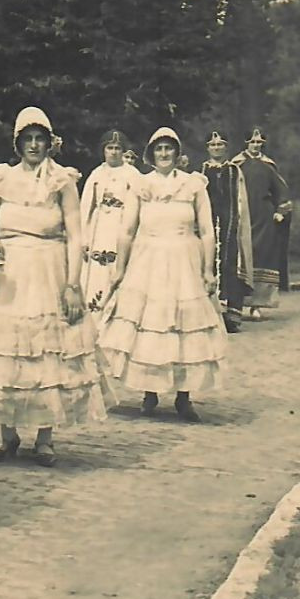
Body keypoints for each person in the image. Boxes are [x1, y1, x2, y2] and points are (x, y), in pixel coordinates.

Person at [0, 107, 111, 467]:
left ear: (49, 143)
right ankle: (6, 434)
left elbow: (76, 234)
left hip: (49, 267)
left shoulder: (62, 181)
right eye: (27, 139)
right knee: (3, 352)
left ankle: (45, 438)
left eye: (39, 139)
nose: (34, 145)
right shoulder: (1, 178)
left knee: (49, 352)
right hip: (8, 271)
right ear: (17, 143)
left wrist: (72, 284)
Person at [98, 127, 226, 421]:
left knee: (184, 325)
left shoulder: (193, 185)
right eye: (159, 149)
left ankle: (184, 396)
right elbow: (127, 230)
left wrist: (208, 270)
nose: (164, 154)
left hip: (184, 261)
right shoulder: (141, 185)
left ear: (178, 153)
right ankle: (150, 393)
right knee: (151, 325)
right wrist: (120, 268)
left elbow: (206, 232)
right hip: (148, 262)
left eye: (169, 149)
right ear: (151, 154)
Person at [79, 130, 140, 313]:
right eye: (109, 148)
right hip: (98, 229)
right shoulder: (97, 174)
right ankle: (94, 315)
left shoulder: (133, 174)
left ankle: (117, 315)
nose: (113, 152)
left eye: (117, 148)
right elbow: (85, 207)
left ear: (123, 151)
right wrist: (84, 237)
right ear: (103, 151)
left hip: (122, 226)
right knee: (96, 271)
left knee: (119, 269)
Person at [236, 127, 292, 318]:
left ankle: (257, 305)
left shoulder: (268, 165)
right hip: (242, 216)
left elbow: (281, 190)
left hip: (263, 217)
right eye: (252, 142)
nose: (255, 145)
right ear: (246, 143)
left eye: (259, 142)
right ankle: (237, 302)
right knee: (241, 257)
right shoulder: (237, 165)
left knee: (262, 256)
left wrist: (280, 210)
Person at [201, 131, 253, 334]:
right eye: (213, 145)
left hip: (231, 224)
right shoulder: (202, 172)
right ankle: (210, 314)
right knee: (209, 264)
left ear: (226, 147)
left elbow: (241, 199)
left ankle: (231, 315)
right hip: (209, 224)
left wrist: (240, 223)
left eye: (220, 145)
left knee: (231, 264)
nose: (216, 148)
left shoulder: (235, 171)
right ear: (208, 148)